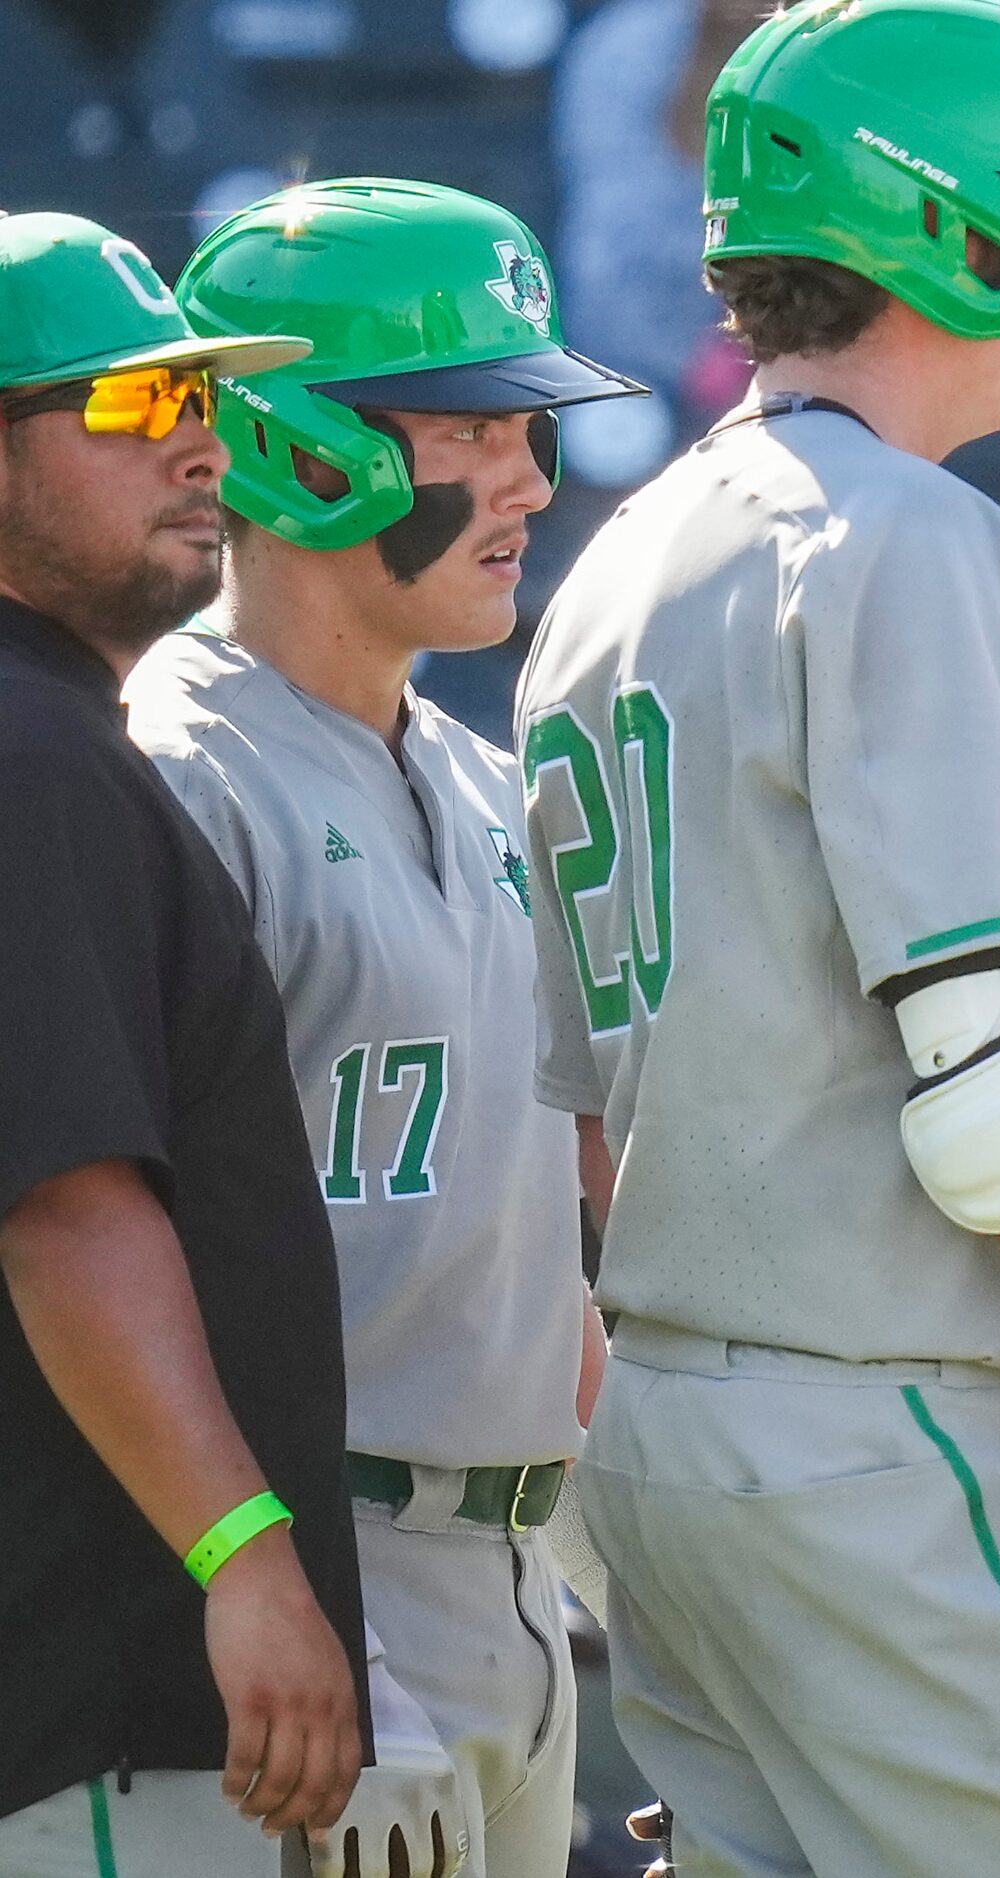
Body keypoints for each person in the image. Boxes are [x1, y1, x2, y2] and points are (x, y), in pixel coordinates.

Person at [519, 5, 1000, 1874]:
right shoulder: (909, 535)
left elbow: (573, 1134)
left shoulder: (609, 565)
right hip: (902, 1448)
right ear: (944, 226)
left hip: (670, 1440)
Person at [120, 178, 644, 1878]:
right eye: (471, 425)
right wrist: (265, 1584)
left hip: (511, 1572)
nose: (528, 482)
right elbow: (94, 1244)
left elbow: (547, 1249)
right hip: (288, 1571)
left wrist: (653, 1602)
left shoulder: (491, 783)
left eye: (534, 426)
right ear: (288, 444)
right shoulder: (173, 768)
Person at [0, 211, 377, 1873]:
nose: (202, 442)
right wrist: (244, 1553)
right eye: (133, 404)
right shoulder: (28, 754)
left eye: (197, 398)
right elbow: (67, 1205)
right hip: (96, 1686)